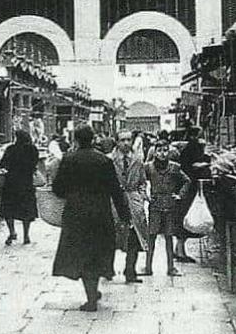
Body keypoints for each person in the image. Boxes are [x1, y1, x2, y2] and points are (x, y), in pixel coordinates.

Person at [52, 125, 130, 311]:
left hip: (76, 215)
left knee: (81, 253)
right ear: (93, 139)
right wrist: (124, 215)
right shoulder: (104, 160)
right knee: (96, 253)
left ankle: (91, 296)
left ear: (76, 140)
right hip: (100, 214)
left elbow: (58, 189)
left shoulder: (68, 160)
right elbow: (115, 190)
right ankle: (93, 291)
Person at [144, 138, 191, 277]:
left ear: (169, 151)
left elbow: (187, 181)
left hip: (170, 206)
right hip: (155, 205)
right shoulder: (148, 167)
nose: (162, 154)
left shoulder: (175, 167)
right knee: (151, 236)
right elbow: (141, 181)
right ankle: (148, 267)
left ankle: (171, 268)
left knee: (169, 237)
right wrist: (146, 195)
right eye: (159, 151)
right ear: (155, 152)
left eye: (165, 150)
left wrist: (179, 195)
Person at [111, 130, 149, 284]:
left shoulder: (138, 160)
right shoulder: (109, 160)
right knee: (113, 235)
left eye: (128, 140)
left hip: (133, 201)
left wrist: (139, 196)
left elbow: (142, 181)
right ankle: (108, 268)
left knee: (135, 237)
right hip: (115, 200)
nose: (126, 143)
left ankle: (130, 270)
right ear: (117, 142)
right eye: (122, 140)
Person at [174, 126, 210, 263]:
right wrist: (206, 164)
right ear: (195, 135)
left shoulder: (187, 147)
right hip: (189, 186)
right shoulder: (194, 147)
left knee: (182, 217)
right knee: (185, 216)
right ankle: (181, 252)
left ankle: (179, 250)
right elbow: (193, 165)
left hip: (185, 185)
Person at [0, 130, 39, 245]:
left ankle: (12, 232)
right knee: (26, 211)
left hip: (11, 184)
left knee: (8, 210)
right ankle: (26, 235)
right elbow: (34, 164)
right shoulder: (33, 149)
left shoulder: (11, 149)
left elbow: (2, 164)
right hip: (26, 184)